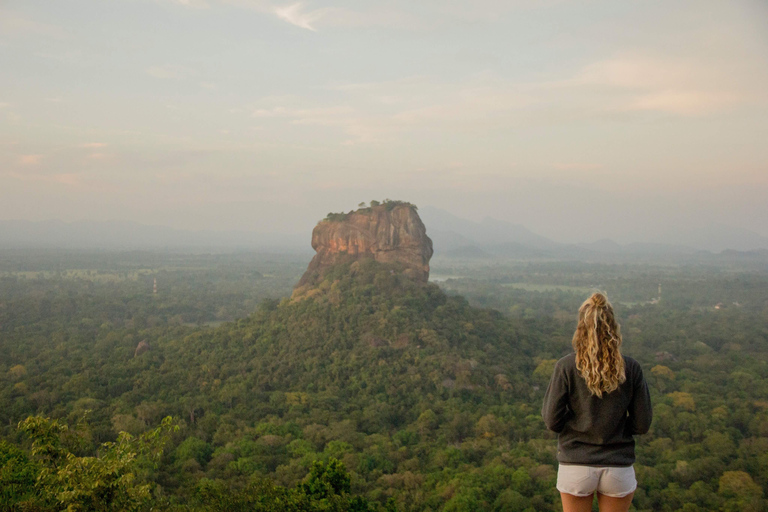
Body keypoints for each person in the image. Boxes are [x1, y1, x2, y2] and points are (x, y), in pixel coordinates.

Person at [542, 292, 652, 512]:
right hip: (617, 466)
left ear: (580, 328)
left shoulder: (566, 367)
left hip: (576, 466)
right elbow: (642, 424)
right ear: (613, 327)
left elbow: (552, 421)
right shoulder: (631, 368)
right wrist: (618, 428)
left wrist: (577, 426)